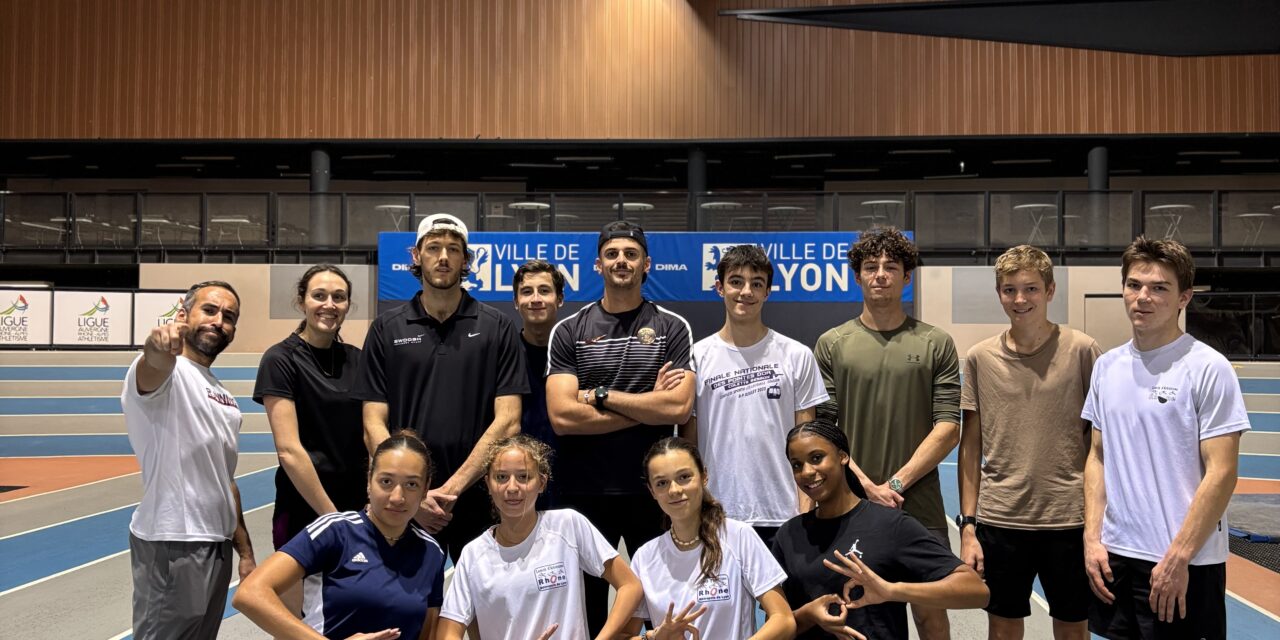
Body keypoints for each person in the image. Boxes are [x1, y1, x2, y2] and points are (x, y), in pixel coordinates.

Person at [1082, 237, 1249, 639]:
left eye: (1159, 288)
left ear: (1184, 298)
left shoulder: (1208, 368)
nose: (1143, 297)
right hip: (1117, 556)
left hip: (1184, 562)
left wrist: (1179, 558)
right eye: (1134, 285)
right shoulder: (1107, 367)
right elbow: (1098, 457)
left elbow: (1222, 473)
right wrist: (1092, 537)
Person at [546, 220, 696, 634]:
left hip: (656, 490)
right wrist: (650, 405)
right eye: (612, 254)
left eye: (630, 254)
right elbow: (562, 417)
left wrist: (598, 395)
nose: (621, 261)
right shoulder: (570, 329)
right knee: (587, 608)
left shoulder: (671, 327)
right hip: (584, 492)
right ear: (598, 265)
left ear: (646, 263)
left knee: (662, 601)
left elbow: (679, 407)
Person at [813, 227, 961, 639]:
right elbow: (825, 430)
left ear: (907, 277)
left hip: (921, 508)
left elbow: (948, 427)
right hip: (849, 505)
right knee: (853, 613)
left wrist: (894, 484)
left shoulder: (936, 342)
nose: (880, 274)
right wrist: (866, 485)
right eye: (871, 267)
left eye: (891, 267)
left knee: (931, 615)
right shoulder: (832, 344)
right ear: (857, 276)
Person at [354, 213, 528, 559]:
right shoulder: (387, 328)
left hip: (478, 496)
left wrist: (450, 490)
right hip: (405, 502)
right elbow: (372, 421)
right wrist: (412, 491)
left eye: (453, 249)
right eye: (433, 248)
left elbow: (508, 420)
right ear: (417, 256)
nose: (444, 257)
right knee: (406, 608)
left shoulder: (498, 327)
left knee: (484, 609)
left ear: (466, 260)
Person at [957, 245, 1102, 640]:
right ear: (999, 293)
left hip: (1069, 519)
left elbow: (1101, 445)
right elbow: (969, 449)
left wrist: (1098, 522)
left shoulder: (1083, 351)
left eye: (1031, 289)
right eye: (1009, 290)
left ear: (1050, 290)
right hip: (1002, 519)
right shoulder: (980, 358)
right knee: (1003, 630)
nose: (1020, 300)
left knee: (1073, 630)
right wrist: (968, 527)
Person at [121, 280, 257, 640]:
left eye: (229, 316)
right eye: (209, 310)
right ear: (183, 314)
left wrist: (244, 551)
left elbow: (224, 477)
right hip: (173, 539)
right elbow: (153, 363)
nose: (219, 321)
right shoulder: (168, 373)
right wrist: (157, 345)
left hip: (217, 544)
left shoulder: (223, 394)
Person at [772, 420, 989, 640]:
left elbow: (976, 591)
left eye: (817, 458)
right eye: (797, 465)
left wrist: (891, 590)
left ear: (843, 457)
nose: (807, 471)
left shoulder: (890, 525)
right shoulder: (789, 536)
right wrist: (809, 615)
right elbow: (778, 626)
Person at [234, 430, 447, 640]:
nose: (397, 497)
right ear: (369, 481)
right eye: (386, 482)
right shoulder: (335, 531)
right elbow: (250, 593)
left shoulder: (431, 553)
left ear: (425, 489)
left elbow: (427, 633)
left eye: (411, 484)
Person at [681, 244, 827, 547]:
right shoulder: (696, 358)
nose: (746, 291)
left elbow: (806, 442)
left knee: (787, 598)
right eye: (736, 281)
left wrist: (804, 512)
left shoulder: (797, 355)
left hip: (784, 516)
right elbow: (689, 445)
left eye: (756, 283)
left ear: (767, 292)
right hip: (718, 515)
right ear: (720, 288)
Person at [438, 434, 644, 640]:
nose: (512, 487)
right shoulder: (473, 554)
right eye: (501, 477)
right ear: (488, 484)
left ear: (542, 482)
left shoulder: (568, 525)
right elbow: (448, 632)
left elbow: (630, 586)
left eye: (524, 477)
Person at [254, 264, 368, 620]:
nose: (329, 304)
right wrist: (331, 517)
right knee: (301, 623)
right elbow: (289, 450)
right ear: (302, 301)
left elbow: (370, 434)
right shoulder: (280, 359)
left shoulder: (357, 359)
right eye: (319, 296)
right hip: (304, 509)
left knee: (352, 615)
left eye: (339, 297)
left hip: (358, 509)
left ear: (348, 305)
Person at [624, 436, 796, 639]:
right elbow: (624, 635)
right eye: (662, 483)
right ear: (652, 491)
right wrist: (652, 638)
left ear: (704, 476)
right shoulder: (644, 557)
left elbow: (784, 620)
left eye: (684, 477)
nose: (674, 490)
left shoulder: (738, 536)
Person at [513, 259, 566, 507]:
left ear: (560, 299)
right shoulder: (502, 354)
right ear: (516, 302)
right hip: (515, 484)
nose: (536, 299)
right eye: (526, 292)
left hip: (571, 484)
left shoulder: (578, 353)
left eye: (544, 291)